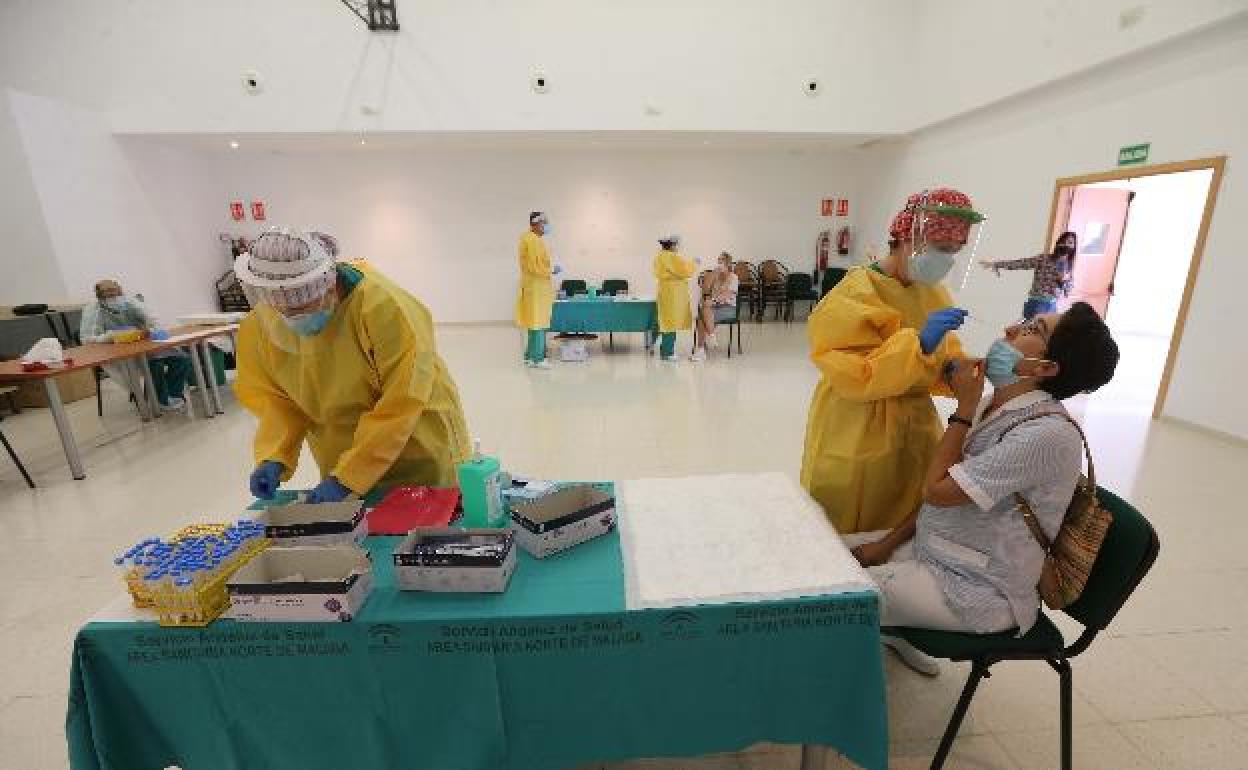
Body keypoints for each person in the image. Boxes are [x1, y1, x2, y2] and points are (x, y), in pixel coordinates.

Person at [842, 302, 1119, 674]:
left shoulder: (1048, 435)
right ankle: (893, 628)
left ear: (1047, 368)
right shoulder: (999, 405)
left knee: (825, 597)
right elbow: (941, 499)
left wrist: (964, 406)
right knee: (828, 550)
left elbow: (937, 490)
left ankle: (821, 709)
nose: (1009, 329)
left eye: (1031, 330)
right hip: (938, 549)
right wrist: (885, 545)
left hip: (976, 589)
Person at [234, 229, 471, 504]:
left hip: (414, 446)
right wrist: (274, 455)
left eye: (303, 307)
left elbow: (403, 399)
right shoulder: (262, 326)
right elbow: (277, 401)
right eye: (284, 310)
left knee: (427, 529)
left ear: (328, 284)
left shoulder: (384, 307)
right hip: (343, 461)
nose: (292, 318)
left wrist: (351, 475)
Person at [801, 188, 985, 535]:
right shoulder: (857, 291)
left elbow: (945, 352)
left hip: (913, 422)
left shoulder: (932, 291)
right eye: (941, 249)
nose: (946, 260)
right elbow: (856, 374)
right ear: (905, 237)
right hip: (858, 422)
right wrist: (917, 344)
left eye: (954, 252)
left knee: (903, 515)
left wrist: (956, 368)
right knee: (851, 517)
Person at [80, 279, 191, 412]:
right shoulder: (93, 310)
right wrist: (110, 336)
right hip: (116, 352)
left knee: (181, 359)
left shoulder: (130, 302)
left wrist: (150, 329)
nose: (114, 298)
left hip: (142, 345)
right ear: (100, 296)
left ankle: (174, 394)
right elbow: (87, 340)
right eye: (109, 295)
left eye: (116, 293)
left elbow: (152, 319)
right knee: (155, 364)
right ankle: (160, 400)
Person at [979, 231, 1077, 319]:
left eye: (1070, 242)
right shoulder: (1044, 259)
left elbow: (1067, 292)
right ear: (1058, 243)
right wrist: (996, 264)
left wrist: (1064, 281)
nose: (1066, 245)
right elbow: (1021, 263)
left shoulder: (1069, 268)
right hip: (1036, 303)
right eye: (1064, 241)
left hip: (1052, 307)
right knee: (1026, 335)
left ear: (1074, 247)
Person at [516, 211, 561, 369]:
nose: (546, 226)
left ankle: (529, 356)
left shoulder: (527, 238)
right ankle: (538, 358)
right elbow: (535, 267)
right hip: (537, 288)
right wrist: (551, 271)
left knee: (533, 322)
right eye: (544, 223)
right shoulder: (533, 241)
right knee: (539, 323)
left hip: (532, 287)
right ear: (535, 224)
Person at [653, 235, 699, 362]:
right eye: (676, 245)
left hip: (665, 292)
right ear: (672, 245)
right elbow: (684, 271)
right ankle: (667, 353)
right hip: (673, 294)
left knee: (666, 321)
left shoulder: (659, 256)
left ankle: (665, 350)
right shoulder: (671, 257)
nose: (677, 247)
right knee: (670, 323)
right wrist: (694, 263)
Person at [691, 252, 739, 362]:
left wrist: (713, 301)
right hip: (714, 308)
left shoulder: (734, 277)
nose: (720, 262)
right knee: (703, 314)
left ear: (728, 263)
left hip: (728, 308)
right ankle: (710, 337)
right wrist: (712, 274)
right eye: (719, 260)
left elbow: (728, 295)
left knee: (702, 316)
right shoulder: (715, 275)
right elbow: (705, 289)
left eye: (722, 260)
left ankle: (701, 350)